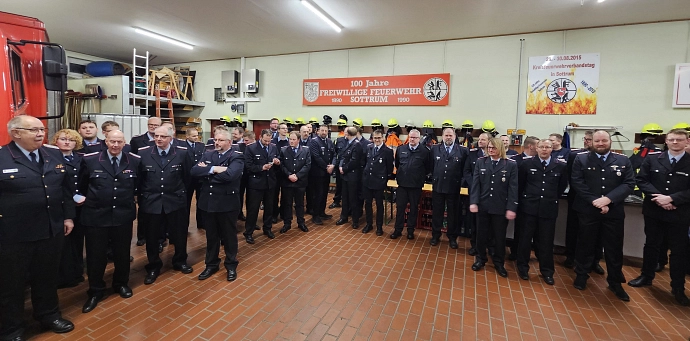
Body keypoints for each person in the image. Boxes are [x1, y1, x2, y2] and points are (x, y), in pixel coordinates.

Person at [0, 116, 76, 340]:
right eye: (33, 130)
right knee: (12, 283)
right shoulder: (2, 157)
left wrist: (68, 217)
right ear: (15, 133)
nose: (40, 133)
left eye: (41, 129)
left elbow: (65, 190)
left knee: (47, 277)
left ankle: (48, 314)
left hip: (50, 230)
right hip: (14, 234)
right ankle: (12, 328)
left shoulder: (52, 154)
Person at [80, 130, 140, 313]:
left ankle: (121, 283)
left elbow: (138, 185)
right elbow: (82, 186)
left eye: (119, 142)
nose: (115, 145)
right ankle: (95, 290)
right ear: (105, 141)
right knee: (95, 255)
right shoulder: (90, 160)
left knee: (122, 253)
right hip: (96, 216)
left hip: (122, 215)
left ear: (124, 143)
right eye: (112, 141)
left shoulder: (134, 161)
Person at [570, 130, 635, 301]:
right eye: (597, 141)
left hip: (613, 211)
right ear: (591, 142)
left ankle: (615, 282)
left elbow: (629, 183)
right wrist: (595, 201)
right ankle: (581, 275)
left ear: (610, 141)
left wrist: (608, 200)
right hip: (588, 210)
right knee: (585, 244)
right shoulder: (581, 159)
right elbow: (577, 182)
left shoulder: (622, 160)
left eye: (604, 140)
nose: (600, 143)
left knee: (614, 248)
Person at [628, 128, 690, 306]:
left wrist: (672, 198)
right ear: (666, 142)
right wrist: (660, 198)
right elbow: (641, 180)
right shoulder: (653, 159)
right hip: (655, 211)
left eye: (679, 139)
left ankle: (677, 287)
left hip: (679, 213)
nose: (675, 142)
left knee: (679, 252)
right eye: (672, 140)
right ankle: (646, 276)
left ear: (687, 142)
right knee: (651, 245)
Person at [138, 126, 194, 285]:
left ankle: (180, 261)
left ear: (171, 138)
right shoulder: (144, 153)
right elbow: (140, 179)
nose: (158, 139)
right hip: (152, 202)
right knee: (152, 236)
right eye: (156, 136)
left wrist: (180, 194)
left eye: (163, 136)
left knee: (179, 233)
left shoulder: (182, 153)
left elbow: (188, 178)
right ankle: (153, 266)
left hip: (175, 201)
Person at [191, 129, 244, 282]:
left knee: (229, 236)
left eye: (221, 140)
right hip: (209, 203)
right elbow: (194, 171)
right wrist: (214, 169)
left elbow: (231, 175)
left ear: (229, 142)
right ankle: (211, 264)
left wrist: (206, 173)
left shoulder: (236, 157)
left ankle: (231, 264)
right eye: (215, 140)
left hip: (227, 203)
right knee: (211, 236)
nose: (217, 143)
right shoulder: (208, 154)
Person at [516, 139, 568, 285]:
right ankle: (523, 268)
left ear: (552, 149)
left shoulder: (560, 166)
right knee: (525, 240)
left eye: (548, 147)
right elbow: (521, 185)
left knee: (546, 242)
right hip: (528, 208)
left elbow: (561, 186)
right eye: (542, 147)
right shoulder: (526, 164)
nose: (544, 149)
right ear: (536, 148)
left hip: (548, 209)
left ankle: (547, 272)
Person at [470, 137, 518, 278]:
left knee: (499, 237)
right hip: (483, 206)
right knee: (481, 235)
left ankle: (498, 262)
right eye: (489, 148)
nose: (490, 150)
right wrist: (474, 202)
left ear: (500, 149)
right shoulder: (481, 162)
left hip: (500, 206)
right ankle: (480, 259)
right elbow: (476, 184)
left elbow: (513, 188)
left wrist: (511, 208)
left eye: (493, 148)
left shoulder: (510, 165)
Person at [564, 130, 605, 274]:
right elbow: (571, 178)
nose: (587, 141)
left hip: (600, 202)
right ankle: (571, 257)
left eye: (590, 139)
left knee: (598, 233)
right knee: (574, 230)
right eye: (586, 139)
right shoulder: (575, 155)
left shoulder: (608, 158)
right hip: (577, 199)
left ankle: (595, 261)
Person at [51, 129, 86, 289]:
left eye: (71, 140)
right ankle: (62, 275)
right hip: (60, 206)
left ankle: (76, 271)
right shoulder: (50, 158)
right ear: (56, 141)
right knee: (62, 242)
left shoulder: (82, 159)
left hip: (81, 205)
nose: (67, 142)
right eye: (63, 139)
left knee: (78, 241)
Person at [429, 128, 468, 248]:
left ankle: (452, 237)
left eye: (450, 135)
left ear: (455, 137)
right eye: (446, 135)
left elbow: (465, 170)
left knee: (453, 214)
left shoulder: (462, 151)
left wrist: (460, 183)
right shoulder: (434, 149)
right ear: (442, 136)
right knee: (437, 212)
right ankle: (435, 235)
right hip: (438, 186)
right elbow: (430, 166)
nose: (448, 137)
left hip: (453, 188)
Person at [392, 129, 430, 239]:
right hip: (402, 185)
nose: (412, 139)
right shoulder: (401, 149)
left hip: (416, 185)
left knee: (413, 209)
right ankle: (398, 230)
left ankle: (410, 230)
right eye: (411, 137)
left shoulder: (425, 151)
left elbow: (427, 168)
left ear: (419, 139)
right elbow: (398, 164)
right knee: (400, 208)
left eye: (415, 138)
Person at [243, 129, 280, 244]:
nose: (267, 143)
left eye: (269, 141)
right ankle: (248, 232)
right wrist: (261, 168)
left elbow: (278, 162)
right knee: (253, 210)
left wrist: (278, 162)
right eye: (265, 141)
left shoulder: (273, 147)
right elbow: (248, 166)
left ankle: (267, 229)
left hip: (270, 183)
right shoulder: (251, 148)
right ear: (260, 137)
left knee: (269, 208)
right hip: (256, 184)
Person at [508, 136, 539, 260]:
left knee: (536, 231)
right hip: (518, 199)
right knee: (519, 229)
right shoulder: (515, 160)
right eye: (538, 145)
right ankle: (515, 252)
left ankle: (536, 253)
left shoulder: (538, 161)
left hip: (535, 200)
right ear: (531, 146)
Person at [362, 130, 394, 235]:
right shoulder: (369, 147)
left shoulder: (387, 151)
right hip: (368, 181)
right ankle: (369, 224)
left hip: (379, 182)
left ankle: (379, 227)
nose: (377, 140)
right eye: (375, 138)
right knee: (367, 203)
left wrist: (385, 179)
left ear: (383, 138)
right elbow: (366, 162)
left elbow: (390, 168)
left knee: (379, 205)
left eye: (379, 138)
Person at [279, 132, 311, 233]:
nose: (291, 141)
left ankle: (301, 222)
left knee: (299, 203)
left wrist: (297, 176)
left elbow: (307, 165)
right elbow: (282, 165)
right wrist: (288, 175)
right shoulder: (283, 150)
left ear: (298, 140)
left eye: (293, 139)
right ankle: (287, 223)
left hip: (300, 181)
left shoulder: (305, 150)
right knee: (287, 203)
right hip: (287, 181)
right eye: (290, 139)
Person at [464, 132, 489, 255]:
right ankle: (474, 245)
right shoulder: (473, 154)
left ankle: (488, 246)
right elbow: (467, 171)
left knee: (488, 222)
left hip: (489, 194)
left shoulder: (494, 155)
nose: (480, 141)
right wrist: (473, 185)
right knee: (474, 221)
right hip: (474, 193)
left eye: (483, 139)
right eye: (479, 139)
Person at [336, 127, 364, 229]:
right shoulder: (348, 143)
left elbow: (354, 161)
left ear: (349, 134)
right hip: (345, 175)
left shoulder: (357, 145)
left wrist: (344, 168)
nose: (345, 135)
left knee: (353, 199)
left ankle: (355, 220)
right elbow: (343, 156)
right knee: (345, 198)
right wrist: (340, 166)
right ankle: (344, 217)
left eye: (346, 133)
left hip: (352, 176)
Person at [308, 124, 336, 225]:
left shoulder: (329, 141)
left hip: (327, 173)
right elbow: (316, 157)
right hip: (317, 173)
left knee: (324, 193)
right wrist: (327, 167)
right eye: (322, 130)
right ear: (318, 131)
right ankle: (315, 215)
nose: (324, 132)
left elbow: (334, 154)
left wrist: (332, 165)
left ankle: (322, 212)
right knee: (317, 194)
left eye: (326, 131)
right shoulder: (314, 142)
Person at [184, 128, 206, 230]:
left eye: (197, 135)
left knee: (201, 200)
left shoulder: (201, 146)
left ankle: (201, 222)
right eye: (193, 136)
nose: (196, 137)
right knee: (186, 202)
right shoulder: (182, 147)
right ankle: (185, 225)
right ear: (187, 136)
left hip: (199, 178)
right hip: (187, 178)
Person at [271, 124, 290, 224]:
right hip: (275, 171)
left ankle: (283, 213)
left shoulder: (289, 141)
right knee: (274, 194)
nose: (285, 130)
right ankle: (274, 214)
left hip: (286, 171)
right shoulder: (273, 142)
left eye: (286, 129)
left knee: (286, 195)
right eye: (283, 128)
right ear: (278, 130)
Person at [329, 131, 348, 209]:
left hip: (348, 167)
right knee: (339, 185)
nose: (347, 134)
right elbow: (334, 153)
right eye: (346, 132)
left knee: (347, 187)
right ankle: (336, 201)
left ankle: (346, 203)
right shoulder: (339, 140)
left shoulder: (354, 141)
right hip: (338, 166)